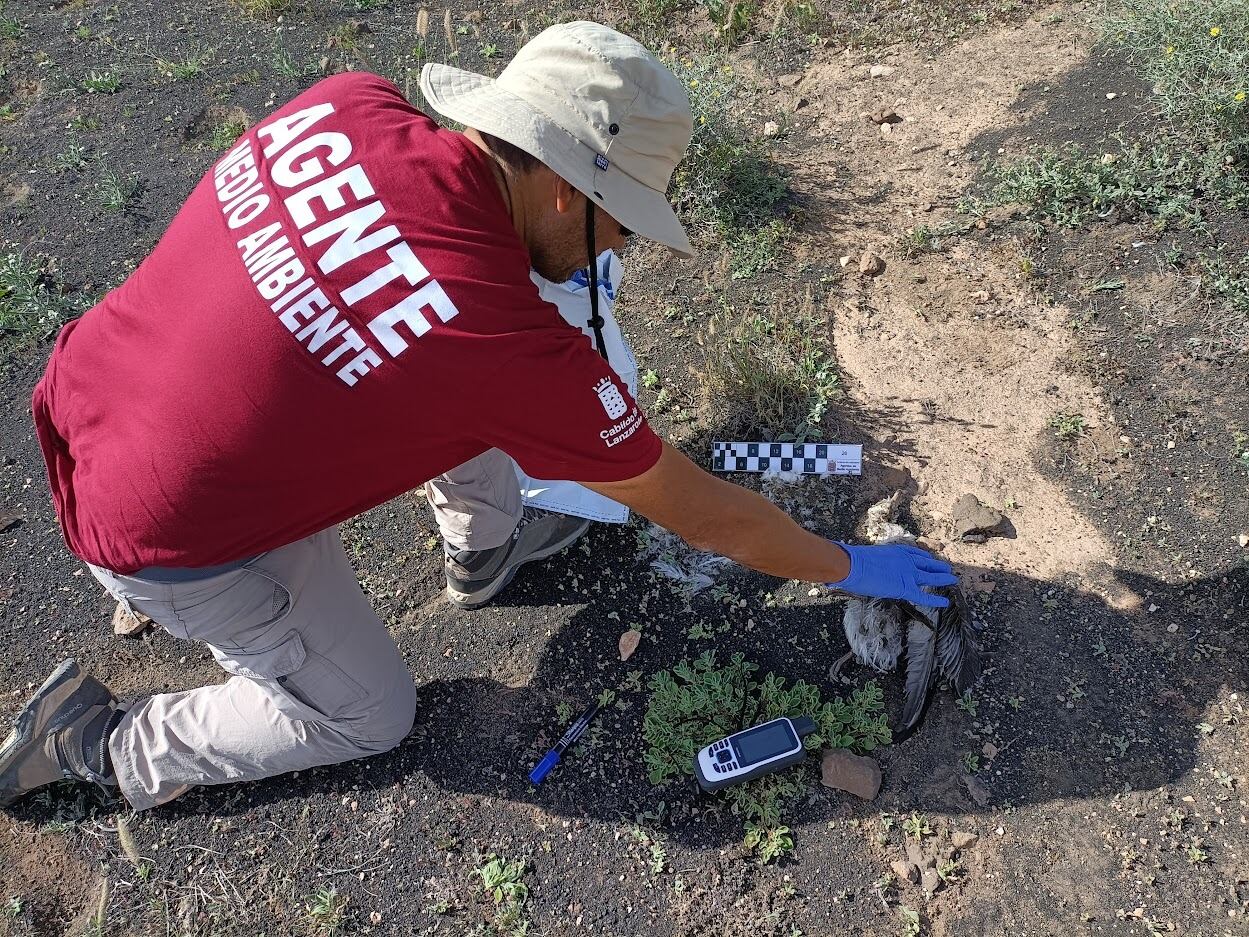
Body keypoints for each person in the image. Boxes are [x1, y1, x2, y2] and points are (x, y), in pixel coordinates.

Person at [0, 22, 956, 812]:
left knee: (451, 374)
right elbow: (704, 515)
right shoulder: (500, 345)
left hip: (91, 389)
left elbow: (412, 304)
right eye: (619, 219)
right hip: (168, 531)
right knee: (370, 715)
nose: (617, 246)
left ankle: (484, 550)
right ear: (559, 185)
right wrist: (849, 565)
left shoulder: (348, 103)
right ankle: (96, 741)